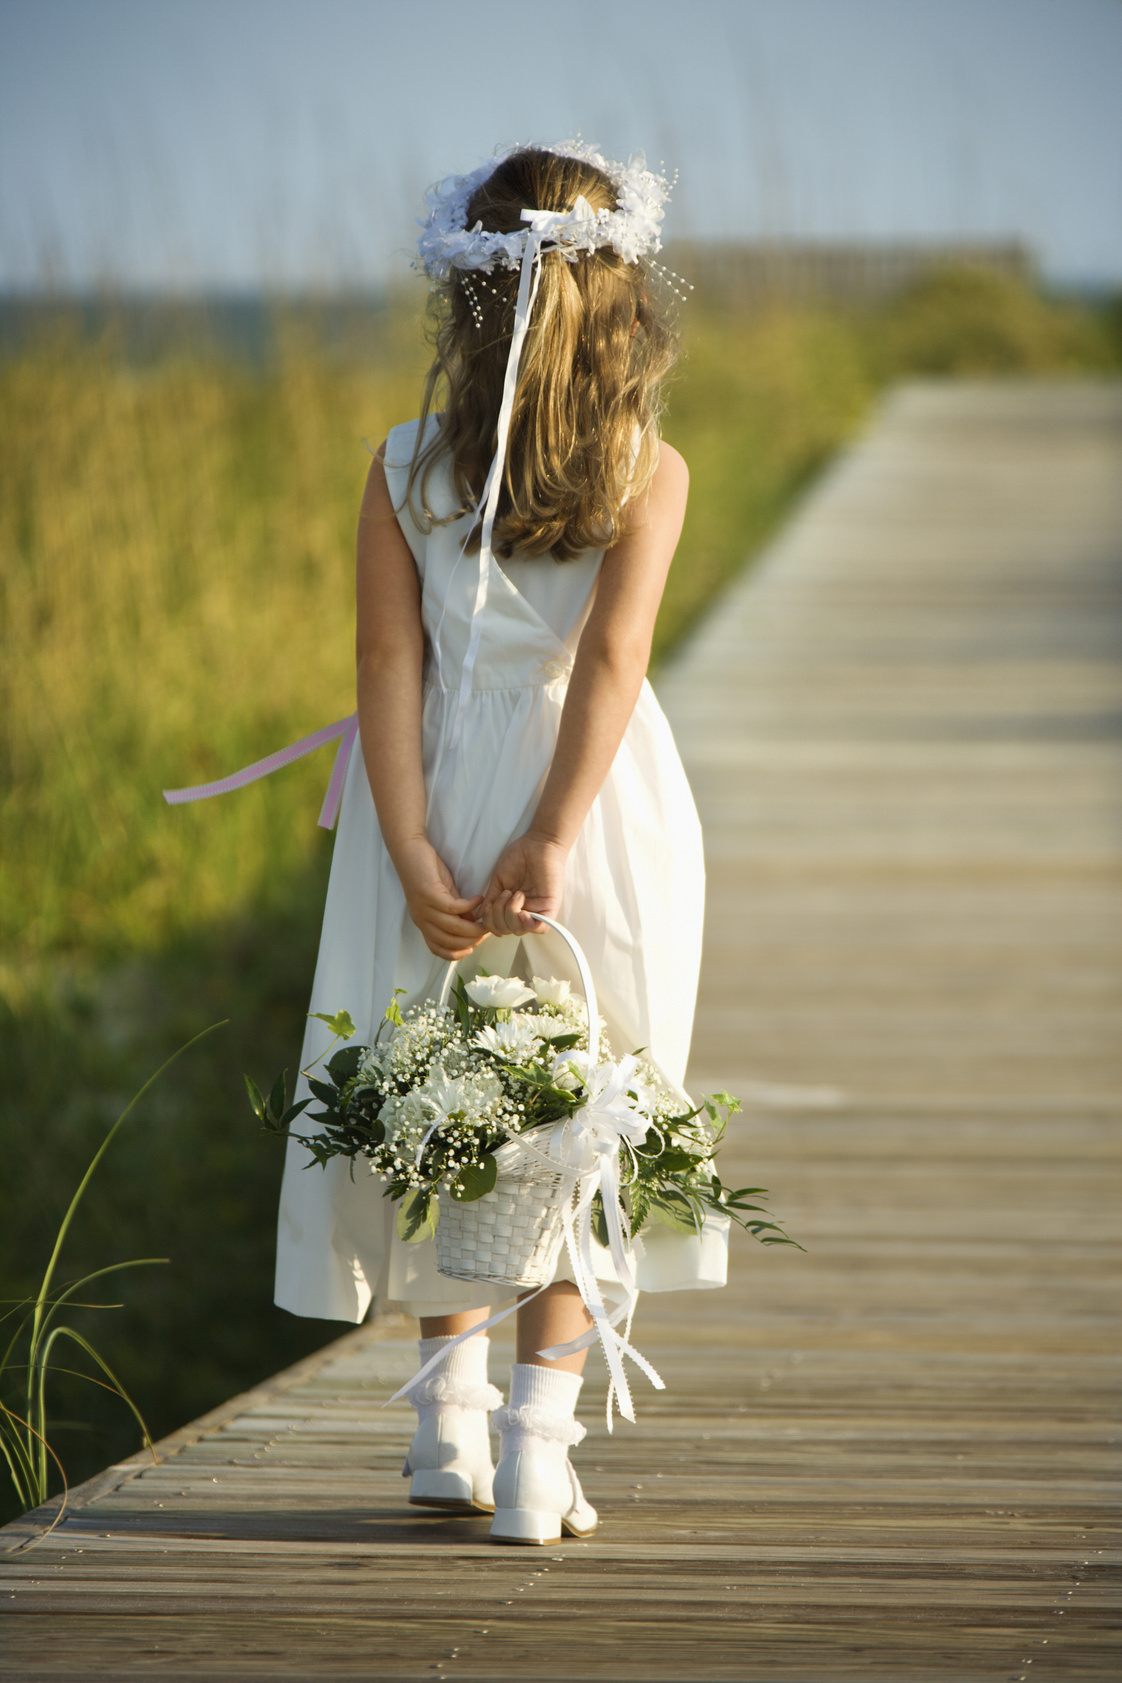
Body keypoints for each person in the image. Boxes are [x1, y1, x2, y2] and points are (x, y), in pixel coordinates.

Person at [272, 143, 728, 1545]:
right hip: (591, 805)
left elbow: (384, 661)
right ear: (623, 302)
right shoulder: (648, 472)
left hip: (436, 787)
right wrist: (550, 829)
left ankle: (440, 1428)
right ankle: (539, 1452)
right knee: (585, 1101)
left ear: (465, 302)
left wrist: (410, 842)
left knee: (440, 1088)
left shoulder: (406, 464)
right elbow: (608, 665)